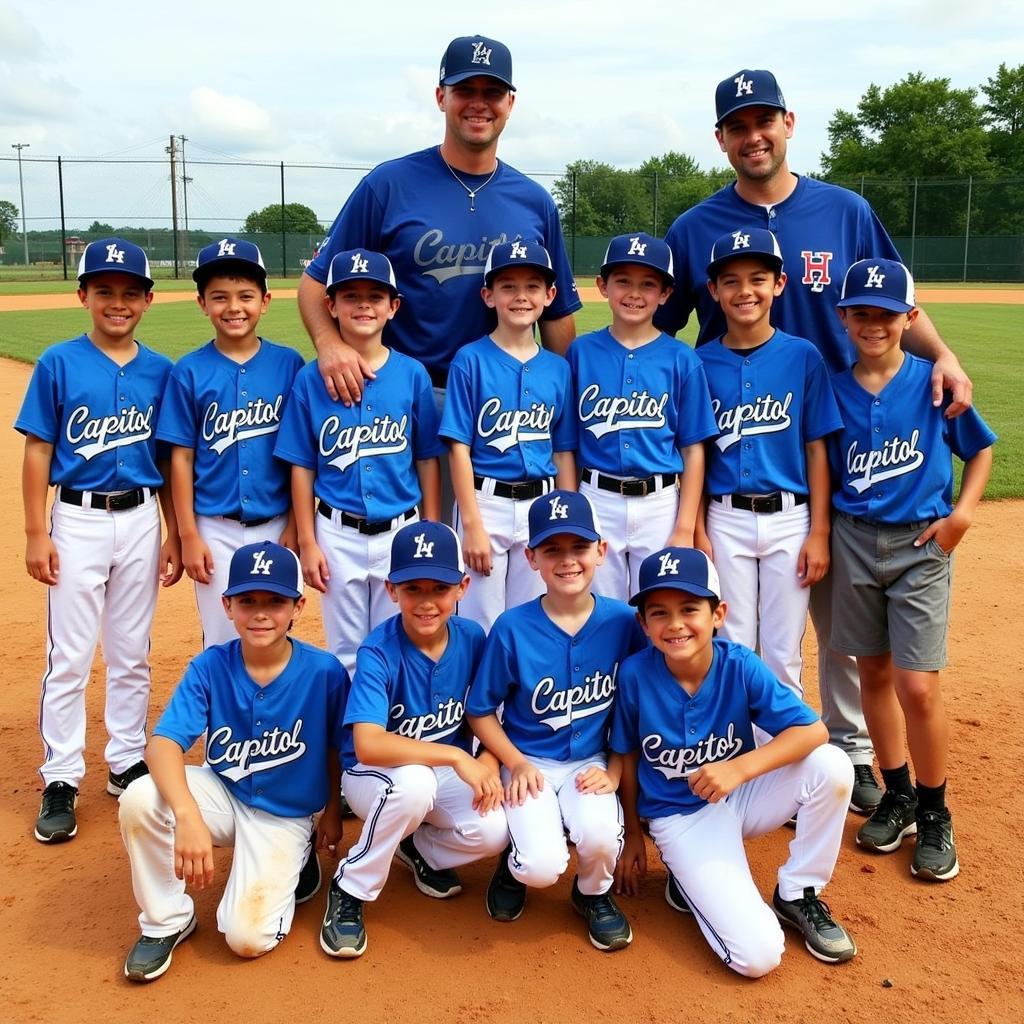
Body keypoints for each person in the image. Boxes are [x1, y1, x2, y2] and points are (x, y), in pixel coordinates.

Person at [655, 68, 975, 814]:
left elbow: (901, 299)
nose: (753, 135)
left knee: (837, 620)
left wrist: (947, 354)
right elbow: (660, 333)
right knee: (758, 617)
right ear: (721, 139)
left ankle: (849, 747)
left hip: (842, 442)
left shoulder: (844, 210)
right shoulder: (696, 227)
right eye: (738, 125)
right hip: (741, 443)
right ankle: (751, 743)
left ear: (789, 123)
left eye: (763, 120)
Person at [297, 34, 581, 409]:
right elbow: (316, 281)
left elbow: (557, 315)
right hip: (408, 395)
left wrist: (564, 406)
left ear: (510, 103)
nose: (479, 103)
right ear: (441, 97)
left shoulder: (535, 201)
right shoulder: (387, 186)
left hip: (507, 396)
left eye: (493, 92)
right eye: (465, 89)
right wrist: (330, 344)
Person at [611, 547, 857, 977]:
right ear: (643, 623)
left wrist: (740, 769)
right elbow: (628, 755)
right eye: (659, 613)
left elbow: (814, 731)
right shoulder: (634, 674)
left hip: (741, 796)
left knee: (832, 766)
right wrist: (632, 833)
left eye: (689, 609)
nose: (675, 625)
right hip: (679, 817)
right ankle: (685, 878)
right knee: (758, 957)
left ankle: (799, 891)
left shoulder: (740, 664)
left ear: (718, 613)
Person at [829, 259, 995, 881]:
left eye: (887, 313)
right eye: (862, 313)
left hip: (921, 545)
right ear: (844, 318)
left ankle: (934, 810)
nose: (874, 324)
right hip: (852, 539)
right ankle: (896, 792)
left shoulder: (933, 382)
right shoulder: (836, 388)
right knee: (871, 669)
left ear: (910, 318)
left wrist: (964, 515)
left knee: (917, 685)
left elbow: (978, 450)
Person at [118, 541, 347, 981]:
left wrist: (332, 812)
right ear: (227, 606)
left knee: (246, 939)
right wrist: (187, 816)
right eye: (248, 601)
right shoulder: (210, 666)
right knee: (141, 798)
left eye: (275, 601)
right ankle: (166, 920)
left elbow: (337, 747)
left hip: (289, 813)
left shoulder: (324, 671)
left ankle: (296, 858)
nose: (260, 614)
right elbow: (163, 743)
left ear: (298, 607)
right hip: (224, 794)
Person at [16, 237, 181, 844]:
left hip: (140, 518)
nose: (118, 302)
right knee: (71, 654)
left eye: (130, 292)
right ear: (83, 295)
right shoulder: (59, 362)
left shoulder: (162, 370)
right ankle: (60, 775)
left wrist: (170, 531)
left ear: (147, 300)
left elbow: (166, 459)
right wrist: (38, 532)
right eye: (105, 291)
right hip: (78, 519)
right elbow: (38, 448)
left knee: (132, 650)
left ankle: (124, 761)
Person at [320, 521, 507, 960]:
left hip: (438, 771)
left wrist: (490, 764)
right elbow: (367, 744)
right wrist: (456, 758)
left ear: (462, 587)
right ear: (391, 589)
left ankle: (414, 846)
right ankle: (351, 886)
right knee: (413, 786)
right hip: (374, 776)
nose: (426, 602)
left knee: (493, 830)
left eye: (439, 588)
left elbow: (486, 716)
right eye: (412, 588)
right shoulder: (378, 650)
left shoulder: (472, 638)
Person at [466, 490, 644, 950]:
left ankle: (593, 894)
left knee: (603, 838)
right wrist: (514, 762)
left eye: (579, 548)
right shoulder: (511, 627)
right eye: (552, 550)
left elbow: (643, 698)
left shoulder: (625, 622)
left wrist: (617, 770)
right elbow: (480, 711)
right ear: (531, 558)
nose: (567, 561)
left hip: (592, 761)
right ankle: (512, 865)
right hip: (530, 762)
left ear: (601, 552)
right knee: (541, 866)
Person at [275, 249, 443, 675]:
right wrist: (309, 542)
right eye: (350, 296)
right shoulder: (311, 378)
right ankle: (355, 740)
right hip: (337, 533)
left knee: (399, 646)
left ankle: (395, 735)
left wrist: (431, 524)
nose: (364, 304)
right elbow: (302, 465)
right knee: (346, 652)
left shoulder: (412, 375)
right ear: (330, 305)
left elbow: (425, 458)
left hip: (401, 531)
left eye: (375, 295)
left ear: (393, 307)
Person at [696, 228, 841, 696]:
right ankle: (735, 750)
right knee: (731, 639)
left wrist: (819, 531)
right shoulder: (699, 363)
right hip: (724, 517)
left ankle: (784, 755)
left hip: (790, 519)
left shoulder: (803, 356)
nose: (745, 291)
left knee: (783, 649)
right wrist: (699, 528)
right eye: (731, 281)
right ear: (714, 290)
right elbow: (694, 453)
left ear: (779, 284)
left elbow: (817, 447)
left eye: (758, 278)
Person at [157, 238, 303, 647]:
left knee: (275, 629)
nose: (233, 307)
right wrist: (187, 534)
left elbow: (299, 457)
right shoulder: (188, 371)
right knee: (222, 637)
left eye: (245, 296)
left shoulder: (289, 364)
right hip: (213, 528)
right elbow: (180, 459)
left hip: (276, 523)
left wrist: (294, 523)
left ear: (266, 300)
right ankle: (225, 712)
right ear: (202, 303)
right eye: (219, 297)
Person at [567, 232, 717, 601]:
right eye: (623, 282)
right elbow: (566, 443)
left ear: (666, 294)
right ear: (603, 286)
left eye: (648, 284)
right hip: (596, 497)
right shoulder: (580, 353)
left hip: (660, 502)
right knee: (598, 607)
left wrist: (684, 525)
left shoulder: (682, 359)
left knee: (658, 602)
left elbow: (694, 449)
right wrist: (572, 507)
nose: (634, 294)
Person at [440, 241, 577, 631]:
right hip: (487, 502)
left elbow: (563, 452)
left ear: (550, 295)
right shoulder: (470, 360)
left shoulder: (557, 368)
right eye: (508, 286)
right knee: (480, 622)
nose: (521, 296)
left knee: (532, 621)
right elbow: (459, 449)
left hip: (541, 501)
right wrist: (472, 524)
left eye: (533, 286)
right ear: (488, 295)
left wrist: (562, 517)